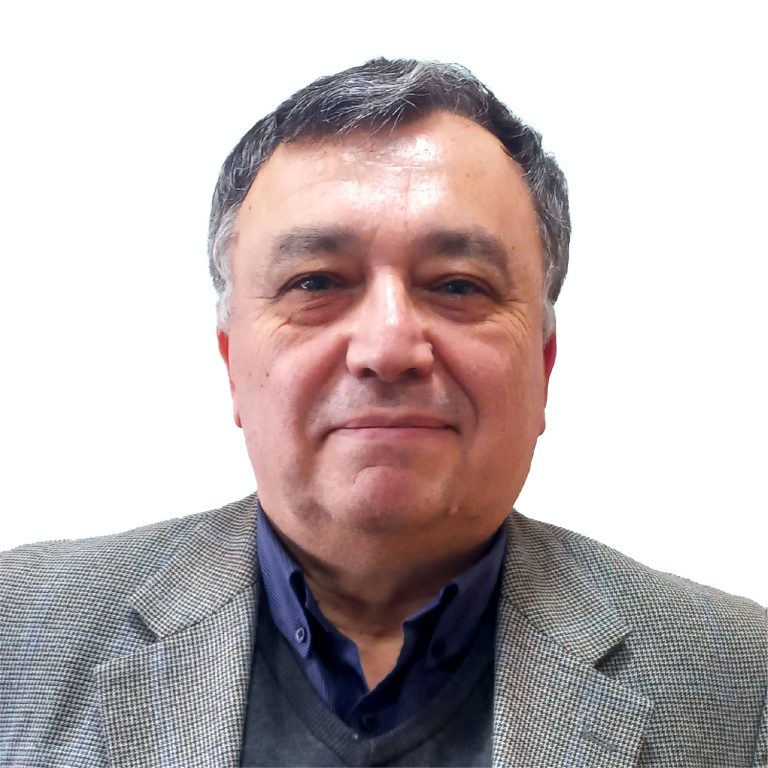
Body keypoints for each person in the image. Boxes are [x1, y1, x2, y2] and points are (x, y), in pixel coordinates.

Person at [0, 58, 765, 768]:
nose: (389, 345)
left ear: (543, 364)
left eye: (458, 285)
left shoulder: (739, 682)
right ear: (232, 363)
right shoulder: (20, 634)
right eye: (315, 282)